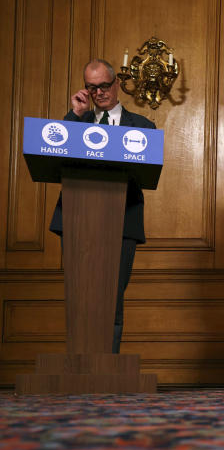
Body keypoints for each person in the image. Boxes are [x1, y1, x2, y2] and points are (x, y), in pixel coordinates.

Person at [49, 59, 155, 354]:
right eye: (91, 87)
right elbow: (56, 151)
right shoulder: (75, 121)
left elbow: (147, 171)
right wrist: (75, 113)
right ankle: (79, 363)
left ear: (116, 84)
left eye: (104, 86)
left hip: (122, 223)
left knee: (112, 296)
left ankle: (107, 364)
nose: (98, 93)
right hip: (76, 219)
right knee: (80, 295)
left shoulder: (142, 127)